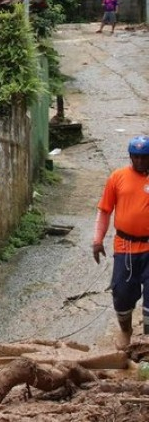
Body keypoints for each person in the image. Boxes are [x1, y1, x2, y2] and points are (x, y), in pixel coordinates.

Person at [93, 135, 149, 350]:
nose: (141, 162)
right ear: (130, 157)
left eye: (145, 158)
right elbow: (105, 210)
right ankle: (125, 329)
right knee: (122, 293)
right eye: (137, 157)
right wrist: (97, 240)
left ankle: (146, 342)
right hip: (125, 247)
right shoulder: (118, 177)